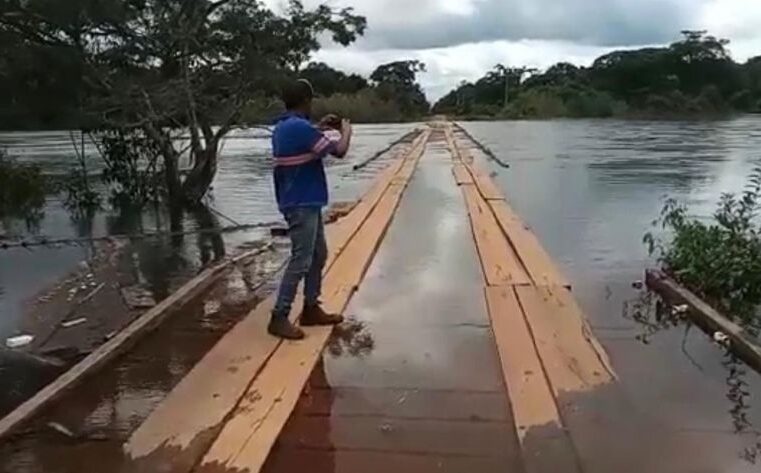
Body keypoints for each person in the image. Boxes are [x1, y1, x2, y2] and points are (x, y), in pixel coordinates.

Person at [268, 79, 353, 340]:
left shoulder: (285, 127)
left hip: (303, 200)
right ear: (307, 101)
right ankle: (279, 316)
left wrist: (319, 127)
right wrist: (347, 130)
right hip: (302, 203)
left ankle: (311, 308)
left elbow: (307, 140)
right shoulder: (300, 128)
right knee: (301, 259)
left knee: (318, 255)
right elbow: (338, 151)